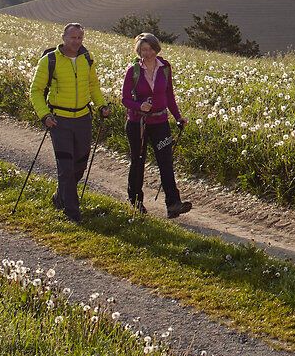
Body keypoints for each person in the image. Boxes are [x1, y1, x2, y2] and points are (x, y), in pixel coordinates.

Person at [28, 22, 105, 221]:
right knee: (66, 166)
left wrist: (101, 105)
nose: (76, 41)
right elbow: (35, 91)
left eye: (80, 38)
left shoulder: (87, 58)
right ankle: (72, 211)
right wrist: (45, 115)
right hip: (59, 121)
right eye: (73, 37)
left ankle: (60, 196)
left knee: (79, 164)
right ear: (63, 38)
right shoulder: (49, 60)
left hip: (83, 118)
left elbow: (93, 85)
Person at [121, 32, 192, 219]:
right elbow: (125, 99)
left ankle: (173, 204)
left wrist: (178, 117)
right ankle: (136, 201)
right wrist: (139, 106)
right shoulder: (133, 71)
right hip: (138, 124)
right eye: (144, 49)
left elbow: (169, 95)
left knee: (166, 162)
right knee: (138, 161)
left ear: (156, 48)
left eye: (151, 48)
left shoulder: (165, 68)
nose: (148, 53)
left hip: (161, 123)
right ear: (139, 51)